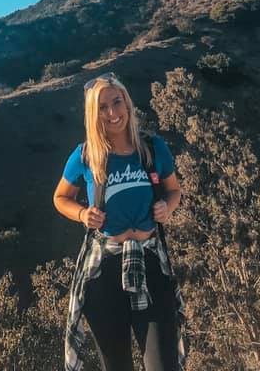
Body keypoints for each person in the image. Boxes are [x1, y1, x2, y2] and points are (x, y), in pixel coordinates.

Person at [53, 72, 186, 371]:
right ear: (93, 113)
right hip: (105, 272)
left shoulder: (151, 148)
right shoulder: (86, 155)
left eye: (117, 102)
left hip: (150, 264)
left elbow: (174, 190)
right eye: (102, 107)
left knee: (164, 365)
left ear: (127, 102)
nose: (113, 113)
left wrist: (168, 206)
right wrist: (83, 214)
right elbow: (60, 198)